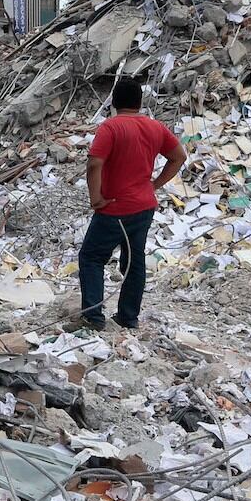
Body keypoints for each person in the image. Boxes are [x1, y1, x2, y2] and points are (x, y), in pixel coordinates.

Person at [78, 75, 187, 331]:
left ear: (114, 102)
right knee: (134, 261)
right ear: (139, 102)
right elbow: (179, 157)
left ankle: (93, 316)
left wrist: (96, 199)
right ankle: (128, 317)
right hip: (143, 207)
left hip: (114, 207)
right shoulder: (155, 127)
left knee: (92, 257)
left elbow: (94, 163)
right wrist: (154, 185)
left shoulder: (111, 127)